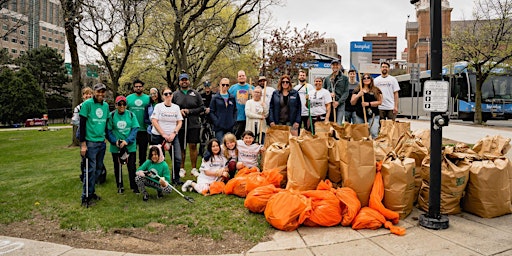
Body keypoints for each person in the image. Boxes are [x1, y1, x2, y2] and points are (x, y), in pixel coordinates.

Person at [79, 83, 109, 207]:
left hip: (101, 142)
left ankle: (91, 193)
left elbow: (106, 123)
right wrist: (83, 145)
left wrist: (106, 138)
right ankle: (85, 197)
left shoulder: (106, 106)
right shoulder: (87, 105)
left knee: (98, 170)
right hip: (90, 143)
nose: (100, 94)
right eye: (98, 92)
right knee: (89, 171)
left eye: (103, 92)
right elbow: (82, 125)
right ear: (94, 92)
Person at [172, 73, 205, 178]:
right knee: (182, 147)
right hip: (180, 125)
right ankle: (181, 168)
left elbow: (201, 108)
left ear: (189, 81)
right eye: (182, 80)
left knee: (193, 146)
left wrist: (189, 111)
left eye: (186, 80)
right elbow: (171, 107)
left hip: (193, 124)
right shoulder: (175, 94)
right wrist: (179, 111)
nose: (184, 82)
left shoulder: (195, 93)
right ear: (179, 82)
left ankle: (194, 168)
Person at [106, 96, 140, 194]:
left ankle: (134, 186)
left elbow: (134, 130)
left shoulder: (131, 115)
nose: (122, 106)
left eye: (123, 104)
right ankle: (120, 185)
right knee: (117, 166)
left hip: (130, 146)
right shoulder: (111, 115)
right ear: (116, 105)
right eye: (119, 104)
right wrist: (115, 141)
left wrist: (127, 141)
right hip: (116, 146)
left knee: (131, 166)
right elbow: (108, 131)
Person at [150, 87, 184, 185]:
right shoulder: (158, 107)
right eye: (166, 94)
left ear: (172, 95)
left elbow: (179, 122)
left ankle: (176, 179)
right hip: (158, 136)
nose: (168, 95)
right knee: (160, 159)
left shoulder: (176, 107)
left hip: (173, 136)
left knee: (177, 158)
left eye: (170, 93)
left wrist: (174, 133)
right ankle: (161, 180)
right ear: (162, 96)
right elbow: (154, 121)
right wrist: (163, 134)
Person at [126, 79, 150, 166]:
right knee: (131, 152)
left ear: (143, 87)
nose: (138, 88)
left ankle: (142, 172)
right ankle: (132, 170)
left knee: (143, 153)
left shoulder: (148, 98)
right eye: (136, 87)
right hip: (132, 130)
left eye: (140, 86)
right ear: (133, 88)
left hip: (144, 129)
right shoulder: (128, 98)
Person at [350, 74, 383, 139]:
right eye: (364, 78)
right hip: (360, 115)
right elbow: (352, 102)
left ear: (371, 79)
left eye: (368, 78)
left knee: (373, 132)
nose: (366, 79)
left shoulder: (376, 90)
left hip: (373, 115)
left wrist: (368, 104)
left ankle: (374, 147)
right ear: (362, 80)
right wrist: (358, 95)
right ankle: (363, 148)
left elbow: (380, 102)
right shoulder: (357, 90)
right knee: (361, 134)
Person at [71, 87, 93, 183]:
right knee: (85, 156)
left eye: (90, 94)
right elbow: (74, 120)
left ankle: (95, 176)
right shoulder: (79, 107)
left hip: (93, 133)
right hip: (82, 133)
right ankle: (84, 175)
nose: (88, 96)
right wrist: (83, 123)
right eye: (86, 94)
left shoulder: (95, 106)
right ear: (83, 96)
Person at [209, 78, 237, 143]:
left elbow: (235, 110)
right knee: (221, 145)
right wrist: (217, 121)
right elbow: (211, 111)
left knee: (230, 145)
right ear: (220, 85)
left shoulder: (232, 97)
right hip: (219, 127)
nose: (225, 86)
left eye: (227, 85)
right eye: (223, 85)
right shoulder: (215, 98)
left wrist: (233, 120)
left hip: (230, 126)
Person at [228, 70, 254, 139]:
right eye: (240, 76)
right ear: (237, 78)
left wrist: (253, 94)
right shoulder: (232, 88)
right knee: (236, 137)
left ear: (246, 77)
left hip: (248, 118)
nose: (241, 77)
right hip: (237, 117)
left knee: (247, 138)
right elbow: (228, 101)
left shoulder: (251, 88)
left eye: (243, 76)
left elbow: (257, 100)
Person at [323, 59, 349, 124]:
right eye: (333, 65)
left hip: (340, 104)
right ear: (331, 66)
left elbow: (346, 92)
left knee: (338, 124)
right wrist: (329, 94)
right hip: (330, 104)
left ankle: (337, 134)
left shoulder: (344, 78)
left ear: (339, 66)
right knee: (330, 123)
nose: (335, 66)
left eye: (337, 65)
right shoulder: (327, 78)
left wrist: (338, 102)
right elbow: (323, 91)